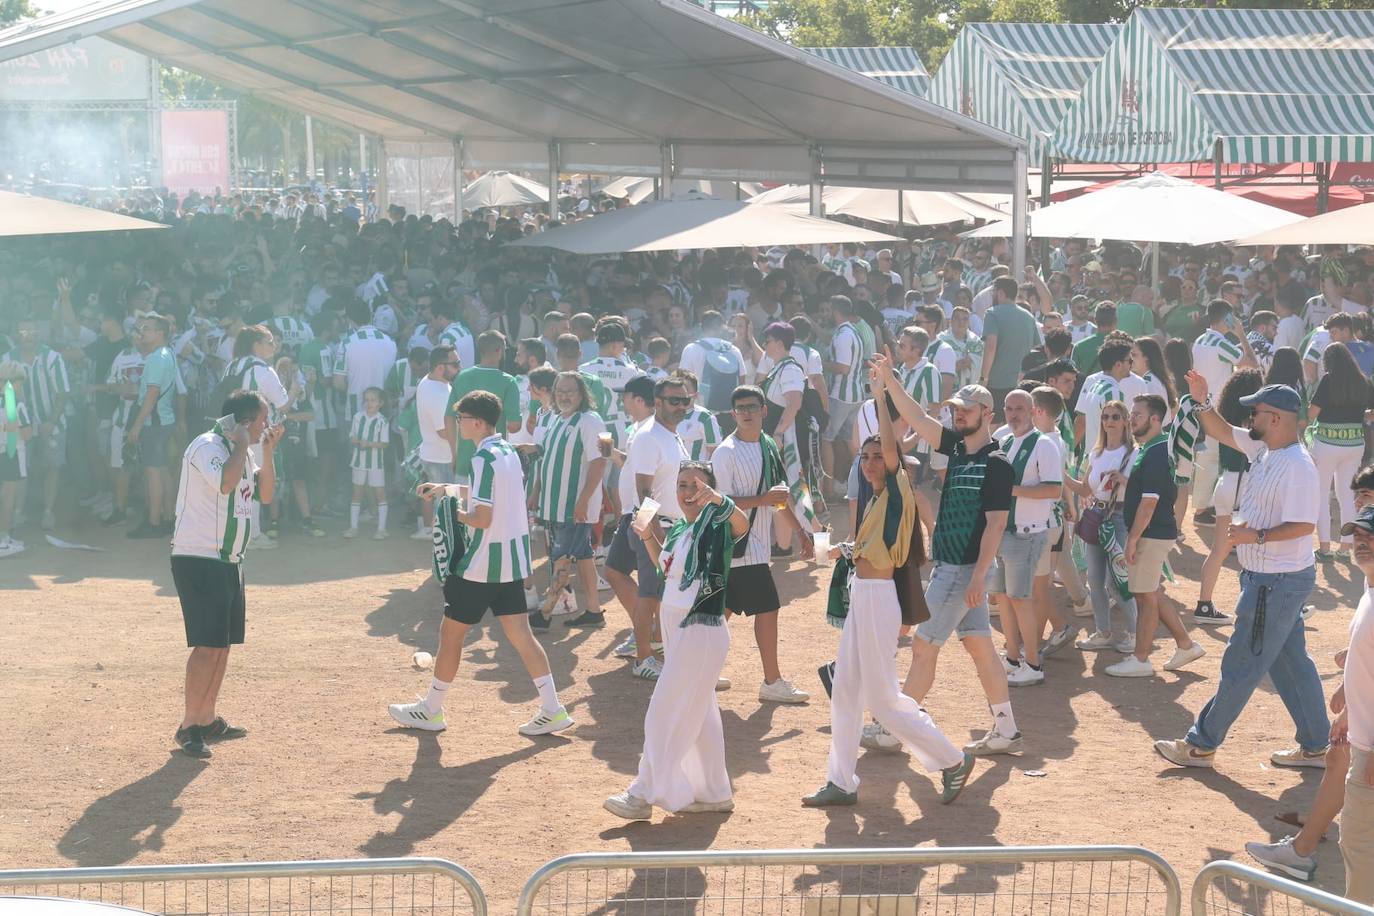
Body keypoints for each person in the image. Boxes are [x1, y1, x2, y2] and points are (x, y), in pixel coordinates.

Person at [801, 364, 976, 808]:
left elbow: (889, 446)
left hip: (879, 601)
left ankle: (951, 759)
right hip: (866, 595)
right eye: (866, 457)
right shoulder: (878, 498)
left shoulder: (897, 487)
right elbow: (869, 552)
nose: (871, 461)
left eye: (878, 456)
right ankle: (840, 781)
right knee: (845, 693)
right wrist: (840, 550)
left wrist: (881, 397)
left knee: (881, 698)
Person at [1156, 379, 1328, 770]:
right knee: (1292, 666)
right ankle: (1317, 745)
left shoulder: (1298, 466)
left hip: (1276, 583)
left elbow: (1304, 525)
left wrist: (1256, 535)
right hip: (1272, 580)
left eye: (1255, 412)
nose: (1249, 417)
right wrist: (1201, 402)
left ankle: (1201, 744)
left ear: (1276, 418)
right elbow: (1218, 428)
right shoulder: (1265, 447)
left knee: (1241, 663)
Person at [389, 391, 573, 737]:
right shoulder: (506, 452)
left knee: (451, 634)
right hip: (510, 563)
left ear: (476, 421)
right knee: (521, 635)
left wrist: (447, 511)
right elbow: (491, 498)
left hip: (480, 565)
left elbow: (482, 517)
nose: (458, 425)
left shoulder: (482, 459)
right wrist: (447, 489)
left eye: (460, 419)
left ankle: (431, 710)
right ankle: (553, 709)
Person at [873, 359, 1024, 758]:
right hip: (954, 568)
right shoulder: (956, 446)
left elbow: (995, 526)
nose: (959, 415)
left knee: (924, 646)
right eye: (957, 410)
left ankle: (894, 729)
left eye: (967, 410)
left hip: (963, 572)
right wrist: (889, 382)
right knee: (979, 648)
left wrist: (978, 578)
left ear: (986, 415)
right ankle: (1007, 731)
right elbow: (918, 417)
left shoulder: (997, 464)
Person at [1245, 471, 1374, 887]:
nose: (1361, 539)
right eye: (1359, 532)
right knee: (1337, 763)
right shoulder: (1369, 585)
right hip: (1362, 732)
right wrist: (1351, 694)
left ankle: (1302, 848)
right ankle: (1302, 846)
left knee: (1360, 853)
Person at [603, 460, 750, 820]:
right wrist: (648, 535)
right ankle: (715, 792)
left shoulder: (716, 523)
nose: (688, 492)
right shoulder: (684, 529)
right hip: (680, 629)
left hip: (700, 629)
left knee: (662, 712)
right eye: (683, 485)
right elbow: (666, 568)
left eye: (696, 486)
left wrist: (720, 500)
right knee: (702, 717)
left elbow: (741, 525)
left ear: (710, 491)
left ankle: (642, 794)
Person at [169, 390, 281, 758]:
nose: (268, 424)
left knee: (223, 643)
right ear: (245, 421)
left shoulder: (242, 450)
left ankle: (207, 718)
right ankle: (188, 725)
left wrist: (265, 451)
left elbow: (265, 495)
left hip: (229, 559)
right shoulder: (206, 446)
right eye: (263, 419)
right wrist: (244, 445)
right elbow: (225, 483)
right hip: (200, 558)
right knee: (207, 645)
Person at [712, 385, 811, 704]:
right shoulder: (725, 452)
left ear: (764, 410)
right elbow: (720, 503)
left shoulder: (768, 445)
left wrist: (800, 531)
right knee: (766, 609)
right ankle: (772, 680)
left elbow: (779, 496)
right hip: (738, 548)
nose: (747, 412)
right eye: (741, 408)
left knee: (717, 614)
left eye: (752, 407)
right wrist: (762, 500)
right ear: (733, 413)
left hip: (750, 550)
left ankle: (696, 669)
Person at [1104, 395, 1205, 678]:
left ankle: (1141, 659)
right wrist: (1126, 481)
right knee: (1150, 592)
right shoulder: (1152, 448)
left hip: (1152, 533)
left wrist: (1132, 540)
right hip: (1156, 531)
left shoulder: (1156, 451)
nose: (1131, 419)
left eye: (1137, 414)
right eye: (1132, 414)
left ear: (1155, 420)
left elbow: (1149, 503)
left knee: (1144, 595)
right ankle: (1186, 645)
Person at [989, 389, 1064, 687]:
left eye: (1019, 408)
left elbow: (1053, 490)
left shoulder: (1044, 445)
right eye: (1008, 408)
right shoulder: (1005, 441)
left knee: (1021, 600)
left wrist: (1011, 490)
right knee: (1005, 599)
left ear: (1033, 411)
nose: (1013, 413)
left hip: (1027, 533)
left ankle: (1032, 663)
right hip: (1002, 532)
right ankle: (1012, 657)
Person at [620, 376, 692, 679]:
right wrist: (656, 535)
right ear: (658, 402)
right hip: (655, 527)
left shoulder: (670, 434)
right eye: (673, 401)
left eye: (684, 401)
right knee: (649, 596)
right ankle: (643, 658)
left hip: (668, 527)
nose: (680, 406)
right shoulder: (651, 436)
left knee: (657, 595)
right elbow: (644, 493)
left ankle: (655, 649)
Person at [527, 371, 607, 631]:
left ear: (582, 394)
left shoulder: (589, 420)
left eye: (570, 391)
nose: (563, 396)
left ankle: (545, 613)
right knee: (583, 557)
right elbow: (546, 458)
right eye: (559, 391)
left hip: (574, 508)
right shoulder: (555, 419)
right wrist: (537, 491)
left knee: (561, 559)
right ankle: (594, 611)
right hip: (555, 505)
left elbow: (599, 462)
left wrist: (583, 501)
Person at [1194, 368, 1264, 626]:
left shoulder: (1224, 416)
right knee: (1261, 551)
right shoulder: (1255, 421)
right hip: (1243, 488)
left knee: (1218, 551)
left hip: (1225, 485)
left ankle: (1204, 604)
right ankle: (1271, 605)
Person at [602, 374, 658, 657]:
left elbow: (648, 479)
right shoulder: (639, 428)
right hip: (634, 513)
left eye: (625, 396)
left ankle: (648, 633)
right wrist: (612, 454)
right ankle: (647, 631)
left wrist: (644, 519)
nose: (622, 401)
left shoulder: (649, 429)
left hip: (640, 514)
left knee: (631, 578)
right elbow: (632, 466)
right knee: (616, 572)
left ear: (638, 399)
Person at [1191, 299, 1258, 525]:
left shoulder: (1200, 339)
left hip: (1201, 403)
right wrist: (1241, 334)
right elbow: (1251, 365)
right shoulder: (1221, 342)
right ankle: (1203, 510)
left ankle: (1202, 507)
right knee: (1213, 459)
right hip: (1216, 408)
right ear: (1227, 317)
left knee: (1205, 458)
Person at [2, 316, 68, 533]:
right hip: (19, 424)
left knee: (52, 466)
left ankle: (48, 511)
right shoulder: (7, 358)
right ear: (15, 334)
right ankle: (17, 513)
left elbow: (62, 394)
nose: (26, 336)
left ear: (38, 333)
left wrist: (51, 421)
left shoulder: (53, 357)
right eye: (22, 332)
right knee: (19, 469)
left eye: (30, 332)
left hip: (51, 422)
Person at [1308, 342, 1374, 560]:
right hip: (1355, 444)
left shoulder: (1328, 379)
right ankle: (1346, 549)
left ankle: (1325, 548)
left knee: (1321, 495)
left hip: (1326, 443)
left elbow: (1312, 413)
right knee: (1346, 496)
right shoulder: (1362, 380)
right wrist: (1361, 416)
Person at [124, 314, 180, 538]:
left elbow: (152, 393)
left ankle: (154, 522)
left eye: (147, 328)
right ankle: (168, 518)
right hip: (164, 421)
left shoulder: (157, 358)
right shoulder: (167, 355)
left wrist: (137, 426)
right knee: (163, 471)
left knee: (153, 472)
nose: (142, 332)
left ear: (160, 333)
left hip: (153, 423)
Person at [447, 330, 521, 484]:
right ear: (499, 351)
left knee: (463, 507)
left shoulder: (461, 377)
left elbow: (448, 417)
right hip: (494, 463)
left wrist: (454, 454)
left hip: (464, 463)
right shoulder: (509, 382)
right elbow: (514, 426)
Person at [821, 295, 870, 489]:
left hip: (840, 396)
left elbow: (842, 367)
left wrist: (822, 364)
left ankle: (829, 489)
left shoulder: (843, 335)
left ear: (835, 310)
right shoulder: (854, 331)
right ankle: (864, 483)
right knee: (852, 442)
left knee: (826, 439)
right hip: (856, 395)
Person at [413, 345, 459, 538]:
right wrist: (460, 451)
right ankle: (442, 539)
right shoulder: (437, 393)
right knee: (445, 501)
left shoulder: (431, 382)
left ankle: (430, 530)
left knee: (435, 496)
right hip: (442, 457)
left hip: (434, 454)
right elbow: (443, 431)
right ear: (440, 367)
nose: (459, 367)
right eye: (455, 364)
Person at [979, 277, 1041, 414]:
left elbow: (990, 347)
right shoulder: (1029, 316)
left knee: (993, 426)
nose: (993, 295)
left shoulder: (992, 313)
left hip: (997, 382)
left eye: (994, 292)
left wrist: (983, 379)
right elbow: (1036, 349)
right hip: (1022, 382)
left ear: (1001, 293)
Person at [345, 387, 390, 540]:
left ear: (380, 403)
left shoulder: (382, 421)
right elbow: (352, 437)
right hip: (358, 461)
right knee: (356, 492)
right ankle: (353, 527)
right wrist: (359, 441)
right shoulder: (358, 417)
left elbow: (384, 444)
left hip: (376, 463)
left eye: (373, 400)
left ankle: (382, 528)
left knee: (380, 493)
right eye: (366, 400)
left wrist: (369, 444)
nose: (369, 403)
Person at [0, 361, 33, 557]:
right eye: (20, 383)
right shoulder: (16, 404)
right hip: (10, 453)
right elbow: (27, 434)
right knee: (8, 498)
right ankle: (4, 538)